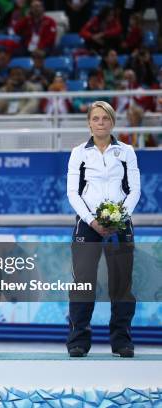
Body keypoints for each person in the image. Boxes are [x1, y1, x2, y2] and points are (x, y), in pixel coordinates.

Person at [66, 101, 140, 358]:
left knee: (121, 285)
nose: (100, 123)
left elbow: (134, 190)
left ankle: (122, 341)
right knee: (83, 284)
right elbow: (73, 193)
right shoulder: (78, 153)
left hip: (120, 224)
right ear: (89, 123)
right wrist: (91, 220)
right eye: (96, 119)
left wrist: (120, 217)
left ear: (112, 122)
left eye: (105, 119)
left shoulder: (127, 151)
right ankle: (78, 341)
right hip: (88, 225)